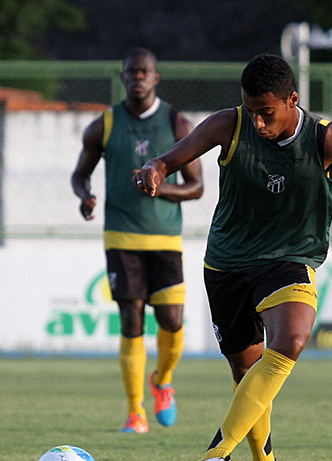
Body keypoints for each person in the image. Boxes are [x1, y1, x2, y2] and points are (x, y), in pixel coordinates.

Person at [134, 53, 332, 461]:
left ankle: (215, 454)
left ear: (292, 100)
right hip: (226, 264)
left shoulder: (330, 140)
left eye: (267, 112)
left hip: (289, 257)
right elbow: (170, 159)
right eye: (251, 110)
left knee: (293, 339)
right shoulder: (230, 124)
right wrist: (154, 170)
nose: (258, 123)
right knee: (247, 372)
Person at [71, 48, 203, 433]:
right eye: (132, 71)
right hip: (122, 236)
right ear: (123, 76)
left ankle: (162, 380)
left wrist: (161, 188)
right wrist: (84, 195)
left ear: (156, 77)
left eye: (145, 71)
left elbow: (196, 187)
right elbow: (80, 174)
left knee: (173, 322)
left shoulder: (178, 123)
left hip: (165, 239)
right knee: (131, 322)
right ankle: (135, 412)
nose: (138, 77)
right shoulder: (105, 125)